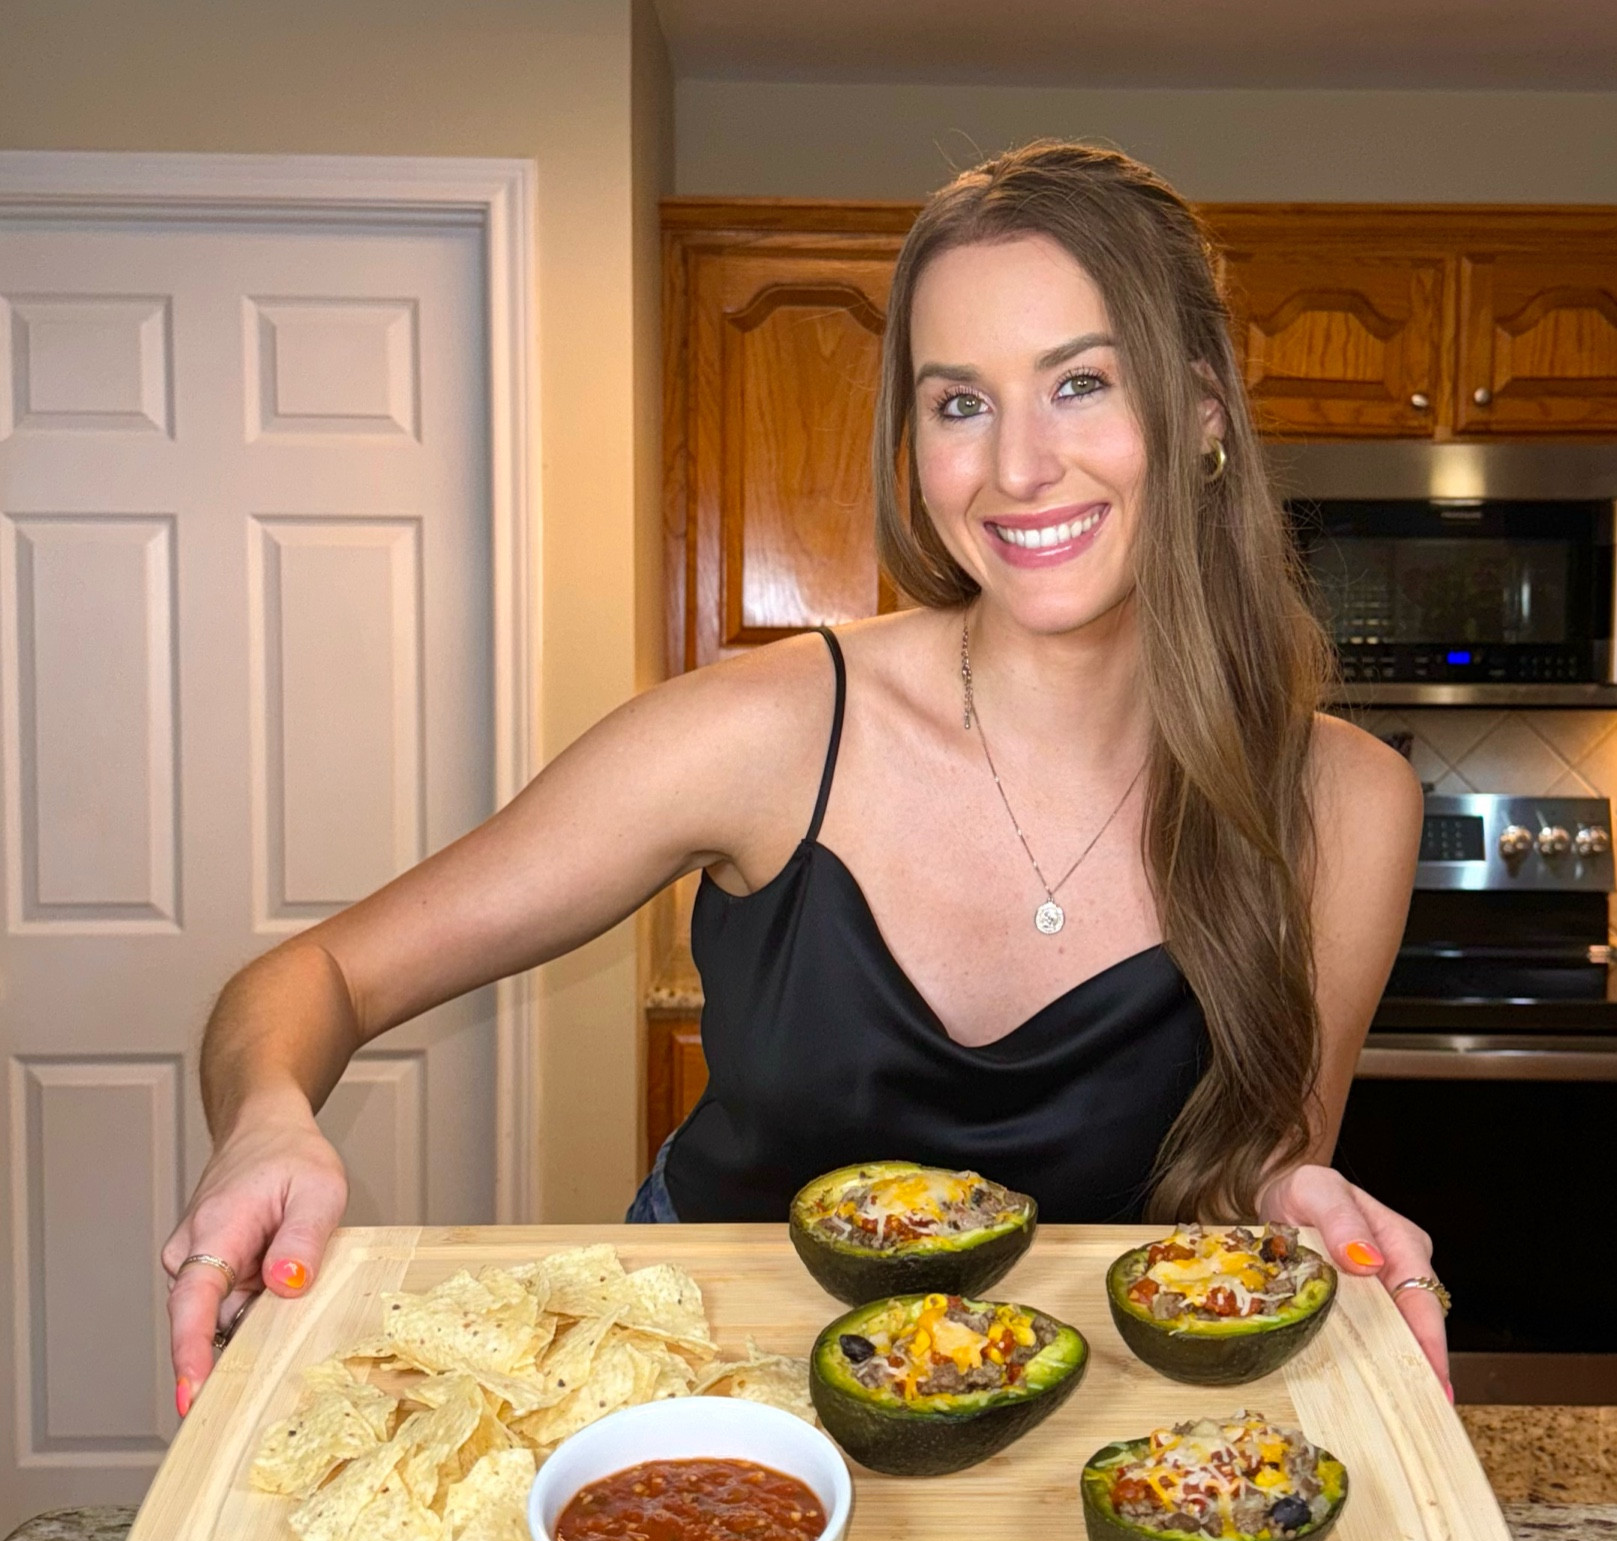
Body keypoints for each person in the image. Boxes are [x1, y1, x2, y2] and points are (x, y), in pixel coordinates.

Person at [163, 140, 1451, 1414]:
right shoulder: (766, 732)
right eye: (960, 403)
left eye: (1080, 384)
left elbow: (1256, 1180)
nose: (1015, 467)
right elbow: (310, 978)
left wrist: (1292, 1206)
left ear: (1204, 412)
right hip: (705, 1393)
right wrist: (266, 1118)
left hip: (1056, 1416)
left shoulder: (1345, 805)